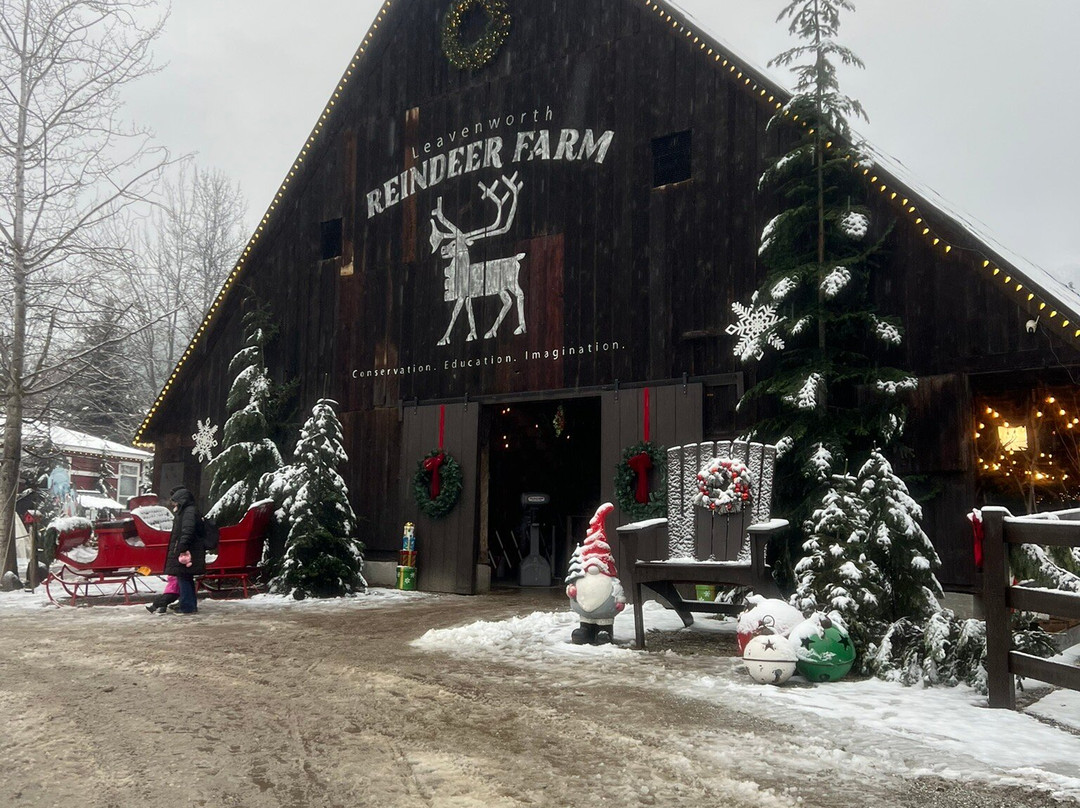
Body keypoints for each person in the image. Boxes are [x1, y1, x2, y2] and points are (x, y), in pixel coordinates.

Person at [164, 487, 206, 614]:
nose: (173, 504)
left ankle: (187, 606)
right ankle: (188, 604)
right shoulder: (189, 510)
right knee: (185, 577)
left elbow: (187, 530)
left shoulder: (188, 512)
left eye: (175, 501)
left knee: (184, 577)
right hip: (189, 548)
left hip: (187, 550)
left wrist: (182, 547)